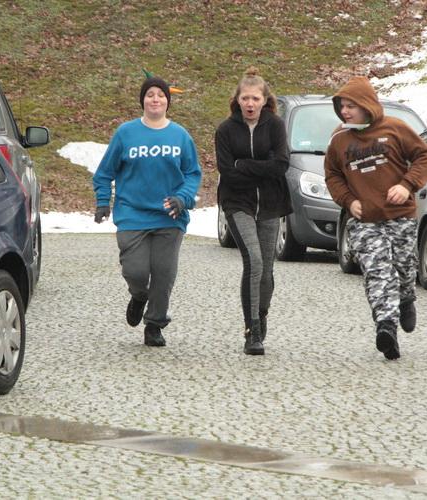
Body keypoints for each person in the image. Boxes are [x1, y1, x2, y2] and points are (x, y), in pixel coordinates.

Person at [324, 76, 427, 360]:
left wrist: (407, 185)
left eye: (351, 106)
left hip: (400, 216)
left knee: (404, 268)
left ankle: (406, 297)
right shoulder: (339, 140)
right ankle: (386, 327)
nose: (345, 111)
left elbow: (423, 156)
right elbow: (332, 175)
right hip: (364, 221)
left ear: (366, 105)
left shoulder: (395, 128)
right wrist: (349, 201)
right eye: (342, 106)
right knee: (377, 271)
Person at [93, 76, 202, 346]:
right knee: (136, 272)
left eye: (161, 95)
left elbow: (192, 173)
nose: (155, 99)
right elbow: (104, 173)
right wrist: (103, 201)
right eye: (150, 94)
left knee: (164, 273)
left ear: (168, 101)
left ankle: (154, 324)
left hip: (169, 216)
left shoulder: (180, 135)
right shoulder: (126, 133)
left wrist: (182, 198)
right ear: (142, 100)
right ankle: (139, 295)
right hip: (132, 214)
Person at [215, 67, 292, 355]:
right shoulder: (225, 130)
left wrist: (243, 165)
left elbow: (280, 165)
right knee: (254, 261)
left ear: (264, 100)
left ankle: (262, 313)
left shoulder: (275, 125)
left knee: (267, 271)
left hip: (271, 203)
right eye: (245, 98)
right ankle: (252, 330)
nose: (250, 104)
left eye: (255, 99)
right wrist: (261, 166)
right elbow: (227, 172)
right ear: (237, 100)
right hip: (237, 203)